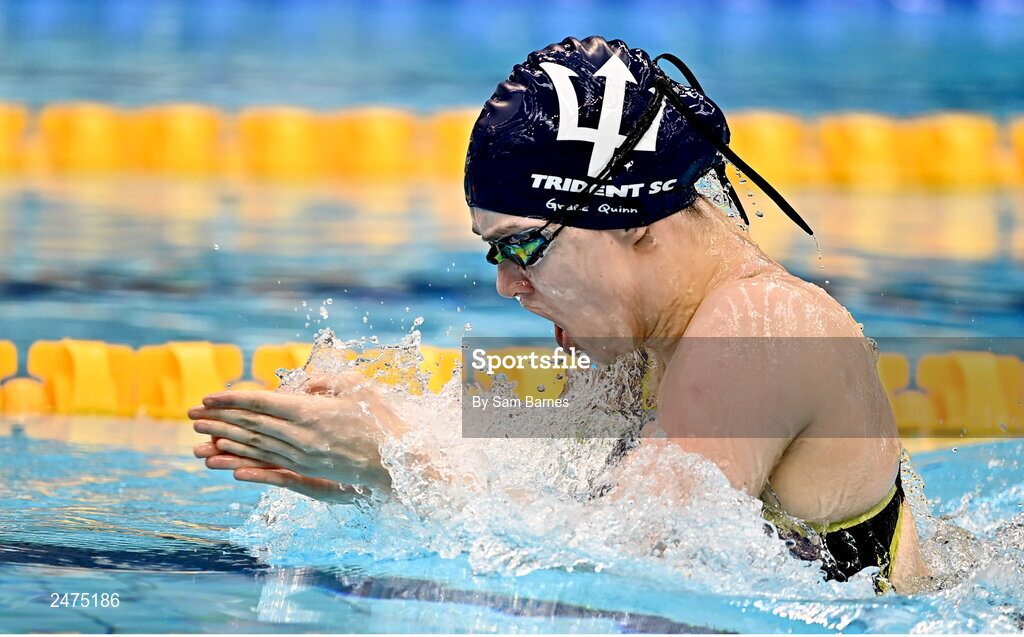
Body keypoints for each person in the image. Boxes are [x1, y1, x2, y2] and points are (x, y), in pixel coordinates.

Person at [190, 36, 924, 593]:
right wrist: (368, 413)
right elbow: (494, 426)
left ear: (633, 218)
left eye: (525, 246)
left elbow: (625, 562)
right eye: (495, 255)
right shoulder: (646, 334)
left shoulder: (761, 330)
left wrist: (395, 457)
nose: (509, 285)